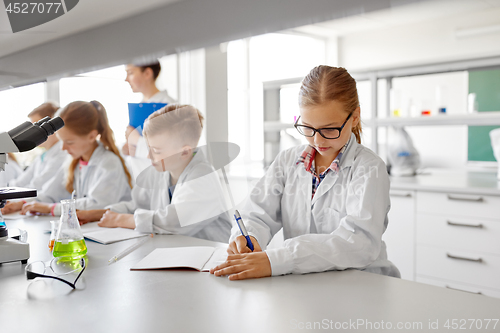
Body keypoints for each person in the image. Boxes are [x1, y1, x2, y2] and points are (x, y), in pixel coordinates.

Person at [211, 66, 400, 280]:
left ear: (355, 116)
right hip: (305, 283)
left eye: (330, 129)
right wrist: (247, 238)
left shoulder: (369, 168)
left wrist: (280, 259)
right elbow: (258, 214)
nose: (317, 141)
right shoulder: (287, 161)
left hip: (361, 282)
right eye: (308, 128)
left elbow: (357, 242)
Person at [77, 104, 232, 243]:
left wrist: (120, 219)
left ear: (184, 152)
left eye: (156, 151)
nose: (148, 156)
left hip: (212, 259)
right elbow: (137, 206)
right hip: (177, 252)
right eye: (149, 148)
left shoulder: (203, 175)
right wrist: (96, 214)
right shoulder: (159, 170)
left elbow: (175, 221)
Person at [21, 101, 132, 216]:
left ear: (92, 136)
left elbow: (98, 204)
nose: (63, 148)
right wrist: (23, 203)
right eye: (61, 141)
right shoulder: (74, 161)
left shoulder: (109, 163)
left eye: (69, 142)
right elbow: (51, 193)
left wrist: (52, 208)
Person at [2, 102, 68, 214]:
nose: (30, 133)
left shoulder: (63, 154)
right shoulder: (42, 156)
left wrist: (19, 201)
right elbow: (21, 182)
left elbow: (37, 186)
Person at [123, 60, 176, 158]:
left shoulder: (171, 107)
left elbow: (169, 150)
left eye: (130, 73)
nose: (126, 79)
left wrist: (135, 139)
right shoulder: (138, 108)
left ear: (147, 73)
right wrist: (127, 149)